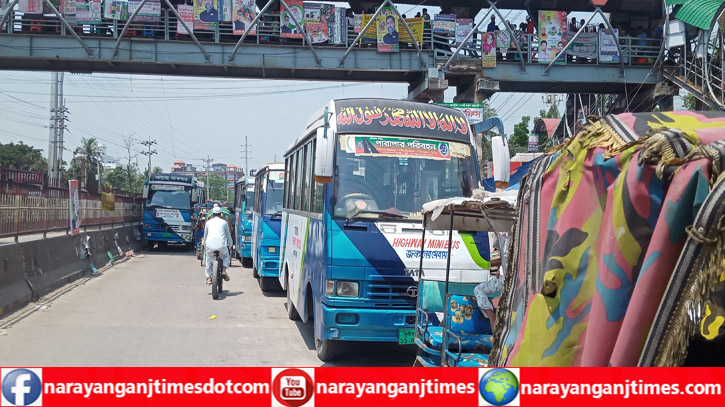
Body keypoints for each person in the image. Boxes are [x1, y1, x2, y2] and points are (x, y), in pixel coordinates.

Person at [202, 206, 232, 285]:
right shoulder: (224, 222)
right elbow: (228, 235)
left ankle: (208, 277)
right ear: (220, 214)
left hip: (210, 245)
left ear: (212, 214)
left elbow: (205, 235)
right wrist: (231, 244)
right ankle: (224, 270)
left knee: (208, 260)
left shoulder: (208, 223)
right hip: (221, 245)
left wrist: (204, 245)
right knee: (226, 256)